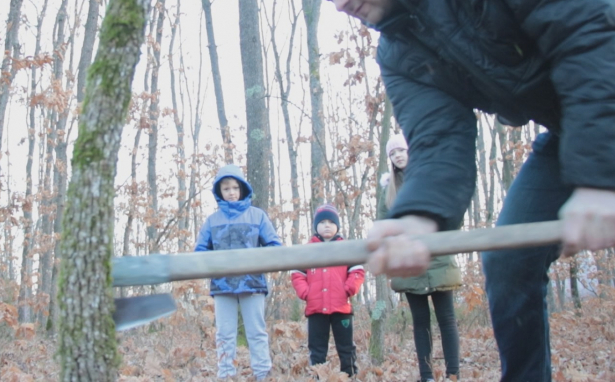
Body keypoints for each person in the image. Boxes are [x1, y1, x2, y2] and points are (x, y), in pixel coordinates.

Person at [297, 0, 615, 381]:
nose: (338, 4)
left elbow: (586, 32)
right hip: (577, 119)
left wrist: (596, 180)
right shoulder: (398, 53)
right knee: (507, 263)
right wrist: (417, 220)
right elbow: (440, 142)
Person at [379, 133, 461, 381]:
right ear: (390, 160)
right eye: (393, 153)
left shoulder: (429, 177)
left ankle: (453, 374)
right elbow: (385, 223)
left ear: (410, 151)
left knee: (446, 319)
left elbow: (447, 212)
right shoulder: (388, 190)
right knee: (421, 322)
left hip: (438, 258)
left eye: (401, 150)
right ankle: (426, 375)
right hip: (409, 262)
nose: (398, 156)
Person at [195, 164, 282, 380]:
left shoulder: (258, 215)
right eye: (226, 189)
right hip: (222, 286)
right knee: (225, 334)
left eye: (235, 188)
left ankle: (262, 374)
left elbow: (274, 246)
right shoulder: (212, 221)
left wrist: (259, 262)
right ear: (219, 192)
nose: (231, 192)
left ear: (242, 188)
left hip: (252, 284)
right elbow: (199, 252)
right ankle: (226, 375)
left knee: (256, 332)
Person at [290, 204, 365, 378]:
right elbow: (297, 274)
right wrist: (306, 293)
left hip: (341, 307)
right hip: (316, 308)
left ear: (337, 226)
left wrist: (348, 289)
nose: (327, 225)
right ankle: (318, 377)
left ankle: (350, 376)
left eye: (331, 222)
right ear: (316, 225)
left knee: (346, 347)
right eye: (322, 222)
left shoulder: (346, 248)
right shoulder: (307, 249)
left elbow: (357, 271)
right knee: (317, 348)